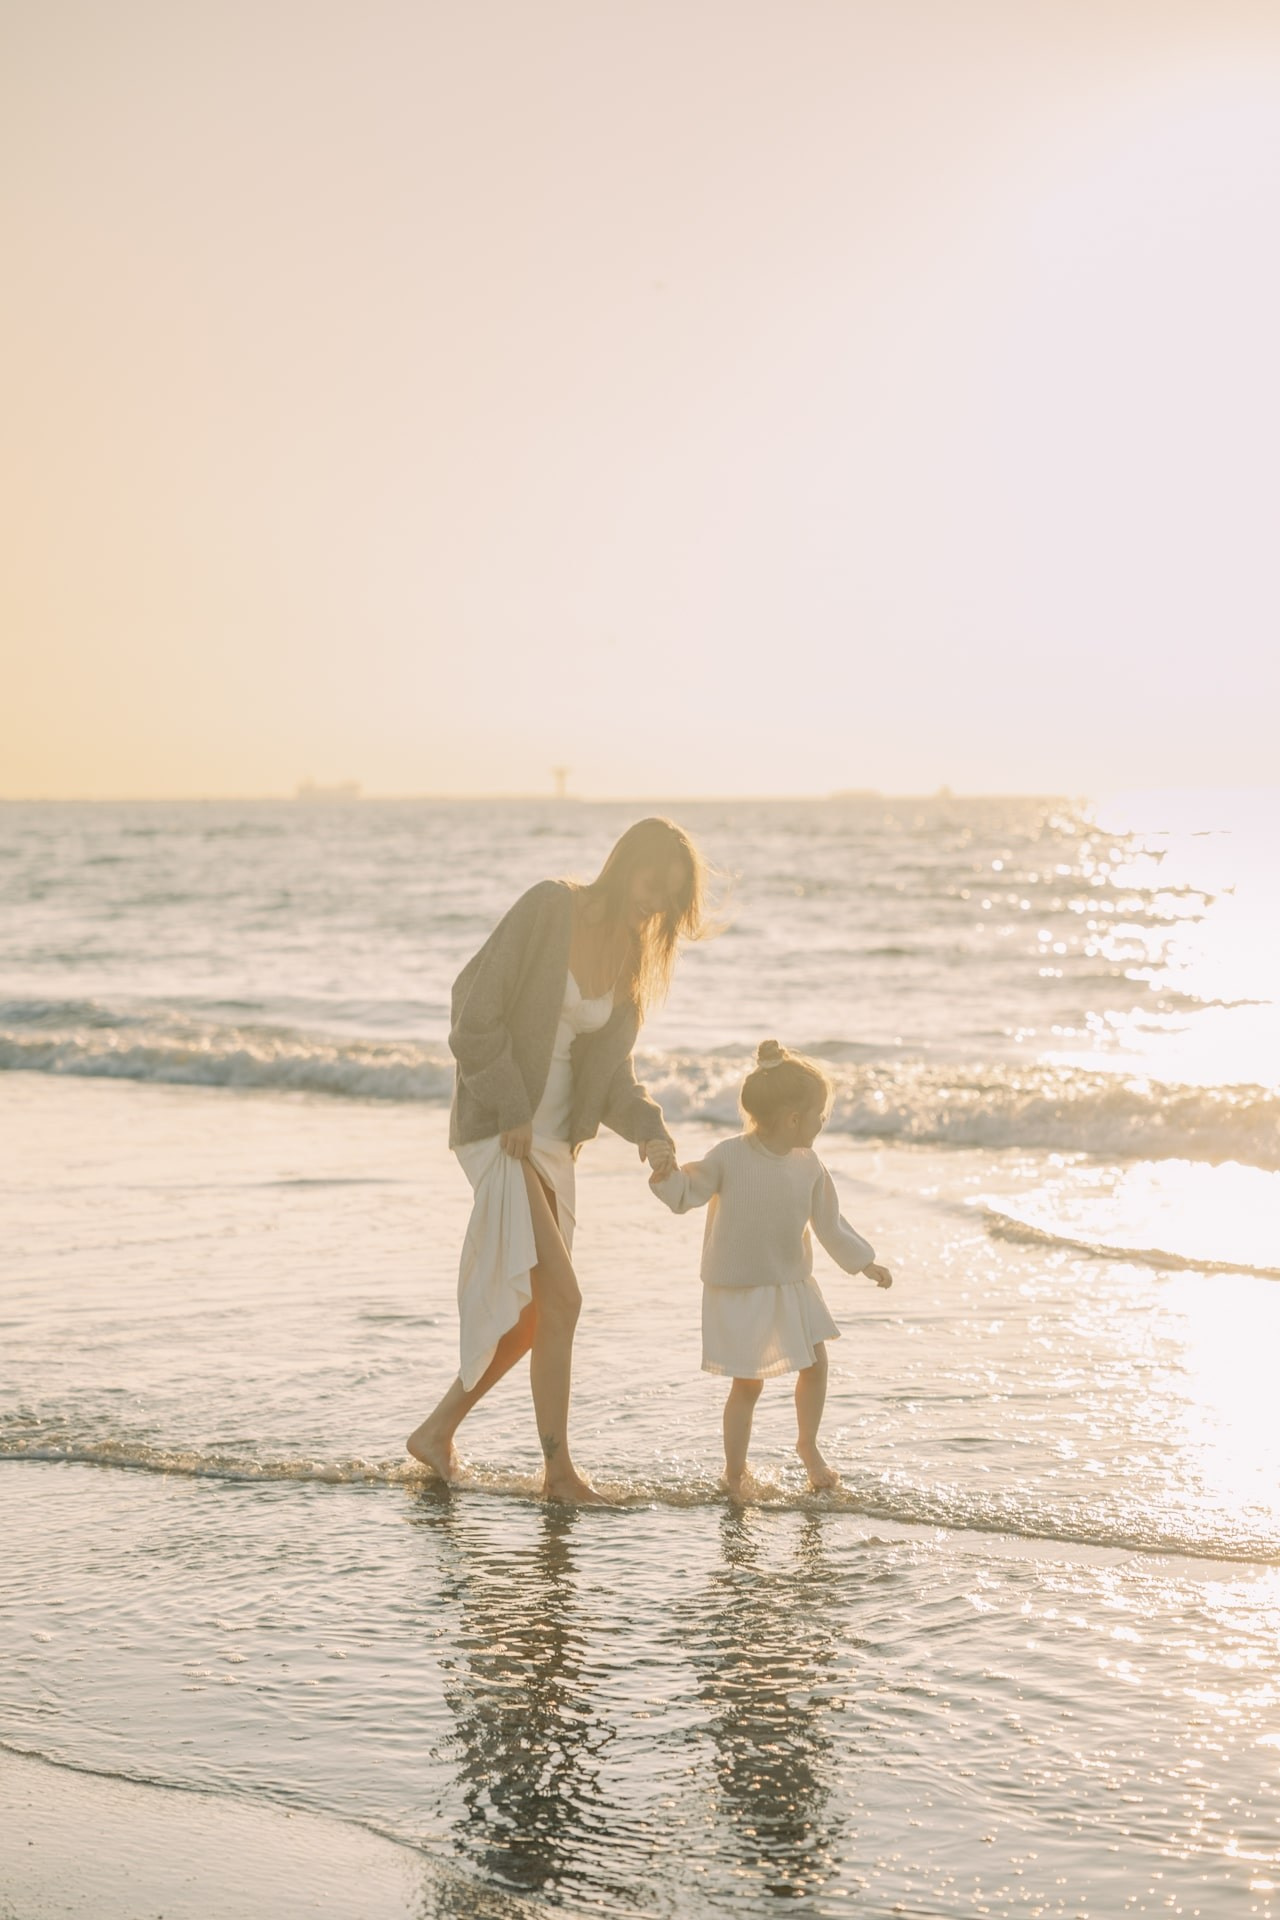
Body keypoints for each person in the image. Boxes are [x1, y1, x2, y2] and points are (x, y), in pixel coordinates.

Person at [408, 817, 709, 1502]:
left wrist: (651, 1134)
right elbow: (470, 1011)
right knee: (566, 1298)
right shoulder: (550, 907)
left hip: (553, 1147)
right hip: (501, 1130)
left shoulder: (634, 960)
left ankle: (436, 1431)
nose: (655, 904)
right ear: (624, 864)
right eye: (651, 883)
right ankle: (560, 1474)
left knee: (538, 1314)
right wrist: (511, 1106)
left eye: (670, 899)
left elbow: (612, 1082)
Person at [649, 1039, 892, 1499]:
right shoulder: (729, 1156)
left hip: (791, 1283)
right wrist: (666, 1176)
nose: (824, 1120)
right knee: (748, 1384)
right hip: (740, 1287)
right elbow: (687, 1192)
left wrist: (865, 1263)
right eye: (820, 1112)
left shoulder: (810, 1165)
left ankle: (808, 1445)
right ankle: (735, 1473)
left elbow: (830, 1224)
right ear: (792, 1119)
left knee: (817, 1363)